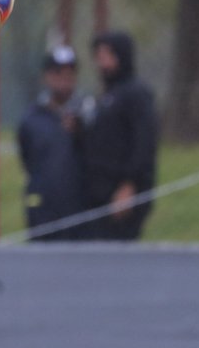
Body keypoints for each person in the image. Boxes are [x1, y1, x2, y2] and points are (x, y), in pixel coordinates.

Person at [78, 31, 159, 241]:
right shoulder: (106, 96)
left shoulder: (136, 94)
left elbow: (144, 143)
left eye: (107, 55)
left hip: (122, 195)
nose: (102, 62)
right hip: (97, 193)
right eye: (99, 56)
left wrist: (129, 186)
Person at [17, 45, 86, 241]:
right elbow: (27, 157)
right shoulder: (32, 118)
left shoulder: (87, 113)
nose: (64, 78)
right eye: (58, 72)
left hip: (80, 205)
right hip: (42, 204)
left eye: (70, 72)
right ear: (46, 76)